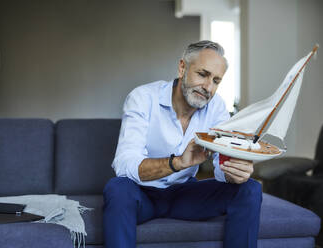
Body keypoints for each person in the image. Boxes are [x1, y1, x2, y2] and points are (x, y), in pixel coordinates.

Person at [103, 40, 262, 248]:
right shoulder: (143, 98)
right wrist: (176, 163)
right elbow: (124, 164)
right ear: (182, 67)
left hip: (185, 195)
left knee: (249, 188)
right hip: (142, 194)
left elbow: (221, 167)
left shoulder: (216, 108)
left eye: (216, 81)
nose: (208, 87)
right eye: (202, 74)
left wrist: (235, 170)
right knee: (117, 188)